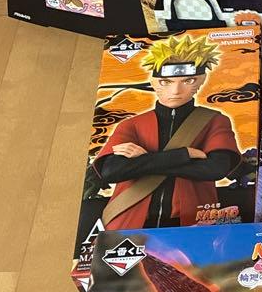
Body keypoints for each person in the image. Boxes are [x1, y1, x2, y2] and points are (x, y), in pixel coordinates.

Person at [93, 34, 242, 229]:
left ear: (201, 81)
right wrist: (184, 155)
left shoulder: (214, 120)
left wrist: (145, 160)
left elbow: (215, 169)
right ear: (154, 82)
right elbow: (111, 171)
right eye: (166, 82)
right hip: (128, 218)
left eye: (188, 80)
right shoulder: (132, 125)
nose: (176, 90)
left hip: (194, 222)